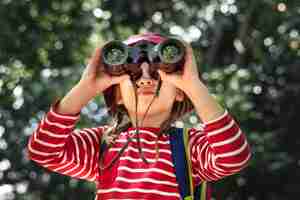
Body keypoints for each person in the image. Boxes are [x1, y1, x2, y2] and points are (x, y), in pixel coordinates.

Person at [27, 32, 251, 200]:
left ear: (180, 92)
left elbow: (234, 157)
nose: (145, 78)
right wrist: (85, 88)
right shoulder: (102, 145)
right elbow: (43, 151)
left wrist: (194, 85)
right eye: (133, 74)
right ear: (117, 95)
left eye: (157, 73)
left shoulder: (190, 146)